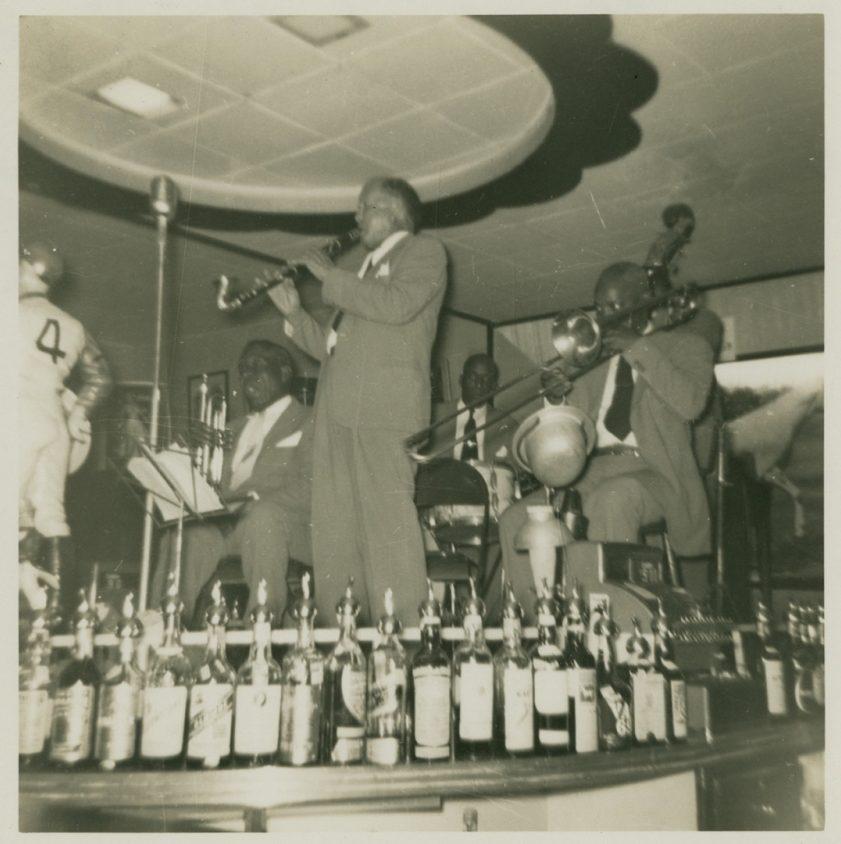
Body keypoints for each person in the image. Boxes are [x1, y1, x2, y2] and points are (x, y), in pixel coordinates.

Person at [269, 176, 447, 623]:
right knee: (336, 534)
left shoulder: (423, 252)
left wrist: (330, 276)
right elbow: (333, 351)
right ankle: (342, 639)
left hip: (384, 415)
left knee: (388, 529)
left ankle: (405, 642)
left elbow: (399, 304)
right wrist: (294, 312)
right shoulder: (363, 274)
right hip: (337, 415)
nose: (356, 217)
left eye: (364, 208)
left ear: (392, 212)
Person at [499, 261, 715, 613]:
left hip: (653, 472)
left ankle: (615, 623)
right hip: (589, 471)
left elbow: (690, 404)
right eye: (600, 307)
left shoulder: (686, 346)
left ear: (645, 301)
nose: (605, 315)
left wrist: (637, 348)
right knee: (515, 519)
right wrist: (557, 395)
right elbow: (574, 425)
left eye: (615, 306)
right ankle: (536, 621)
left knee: (614, 499)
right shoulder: (591, 358)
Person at [150, 340, 314, 624]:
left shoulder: (310, 420)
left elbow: (311, 486)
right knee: (183, 531)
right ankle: (164, 630)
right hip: (229, 525)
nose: (248, 375)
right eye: (243, 370)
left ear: (285, 372)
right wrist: (190, 456)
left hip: (282, 524)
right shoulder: (229, 428)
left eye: (257, 367)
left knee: (262, 518)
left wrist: (248, 505)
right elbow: (210, 484)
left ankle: (261, 629)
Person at [18, 241, 112, 603]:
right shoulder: (73, 325)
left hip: (15, 415)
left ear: (24, 269)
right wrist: (77, 415)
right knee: (52, 515)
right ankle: (53, 608)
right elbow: (101, 377)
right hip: (54, 421)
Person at [424, 353, 517, 463]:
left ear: (494, 387)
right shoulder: (433, 415)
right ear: (461, 379)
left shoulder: (507, 425)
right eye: (473, 377)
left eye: (486, 380)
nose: (479, 384)